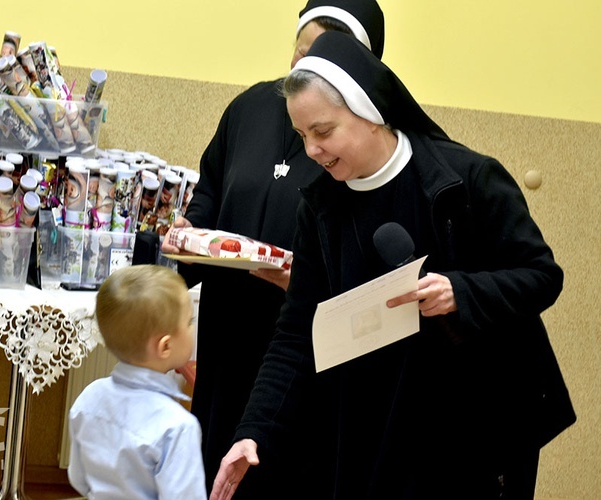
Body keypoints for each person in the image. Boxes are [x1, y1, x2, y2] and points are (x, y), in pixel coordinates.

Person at [211, 31, 576, 500]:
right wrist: (253, 429)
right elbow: (300, 331)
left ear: (370, 113)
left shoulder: (466, 180)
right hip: (371, 421)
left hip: (470, 422)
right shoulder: (321, 206)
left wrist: (460, 293)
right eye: (302, 137)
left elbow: (542, 277)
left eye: (323, 132)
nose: (312, 151)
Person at [161, 1, 385, 497]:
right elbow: (212, 188)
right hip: (228, 324)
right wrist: (190, 232)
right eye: (298, 52)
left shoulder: (363, 139)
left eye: (318, 58)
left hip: (300, 337)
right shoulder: (249, 107)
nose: (300, 69)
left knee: (280, 469)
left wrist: (300, 278)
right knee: (216, 458)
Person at [67, 264, 206, 500]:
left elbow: (78, 478)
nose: (192, 327)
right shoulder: (177, 426)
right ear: (165, 346)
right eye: (189, 321)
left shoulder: (88, 398)